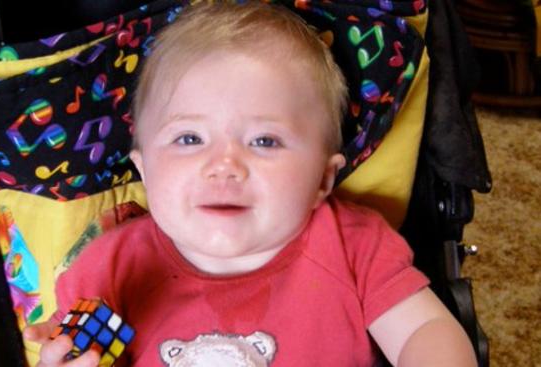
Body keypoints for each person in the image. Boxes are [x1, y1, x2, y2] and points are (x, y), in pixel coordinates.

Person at [24, 2, 477, 366]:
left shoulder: (354, 245)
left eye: (264, 140)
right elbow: (73, 351)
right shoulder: (108, 266)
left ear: (323, 177)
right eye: (189, 138)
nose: (224, 165)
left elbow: (423, 331)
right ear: (144, 170)